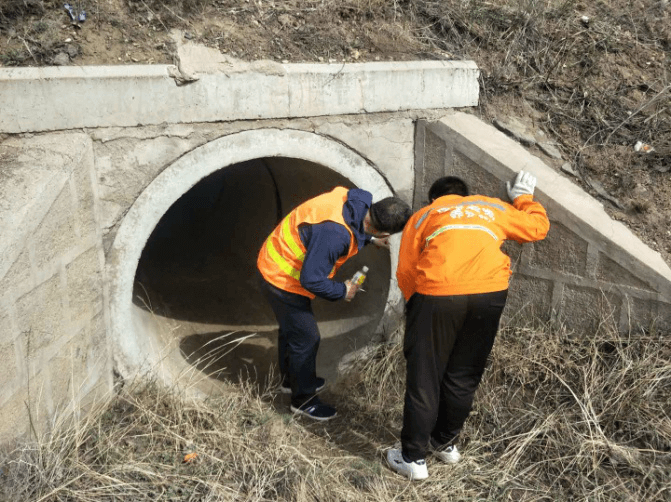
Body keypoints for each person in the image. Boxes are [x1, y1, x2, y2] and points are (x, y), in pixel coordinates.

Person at [386, 171, 550, 480]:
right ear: (466, 195)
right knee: (463, 374)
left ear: (433, 198)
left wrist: (415, 305)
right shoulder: (490, 207)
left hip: (438, 293)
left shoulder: (424, 215)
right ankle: (445, 443)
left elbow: (407, 269)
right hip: (489, 294)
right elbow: (537, 228)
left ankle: (413, 459)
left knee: (425, 376)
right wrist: (523, 199)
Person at [257, 186, 412, 421]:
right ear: (383, 231)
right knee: (307, 338)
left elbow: (354, 227)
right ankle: (303, 401)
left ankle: (292, 380)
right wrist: (342, 290)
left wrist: (370, 239)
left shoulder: (352, 201)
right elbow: (312, 280)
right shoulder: (335, 235)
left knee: (293, 330)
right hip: (280, 278)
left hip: (274, 259)